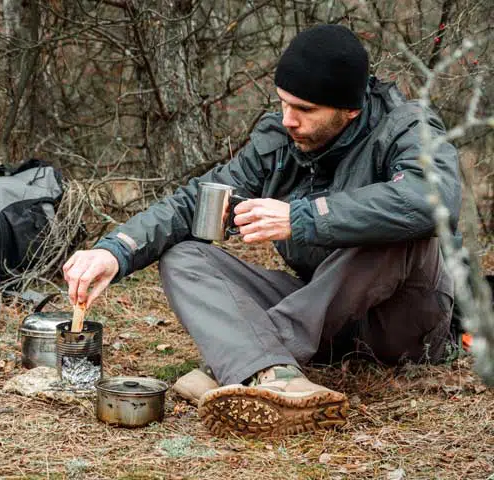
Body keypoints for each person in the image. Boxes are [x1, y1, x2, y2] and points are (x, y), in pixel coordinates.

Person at [62, 24, 461, 439]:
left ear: (350, 111)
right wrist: (115, 251)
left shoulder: (405, 127)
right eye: (283, 103)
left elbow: (433, 200)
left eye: (304, 110)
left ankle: (242, 364)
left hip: (401, 327)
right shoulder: (280, 142)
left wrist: (303, 216)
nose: (288, 120)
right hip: (322, 320)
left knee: (397, 226)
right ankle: (272, 373)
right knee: (185, 255)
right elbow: (195, 202)